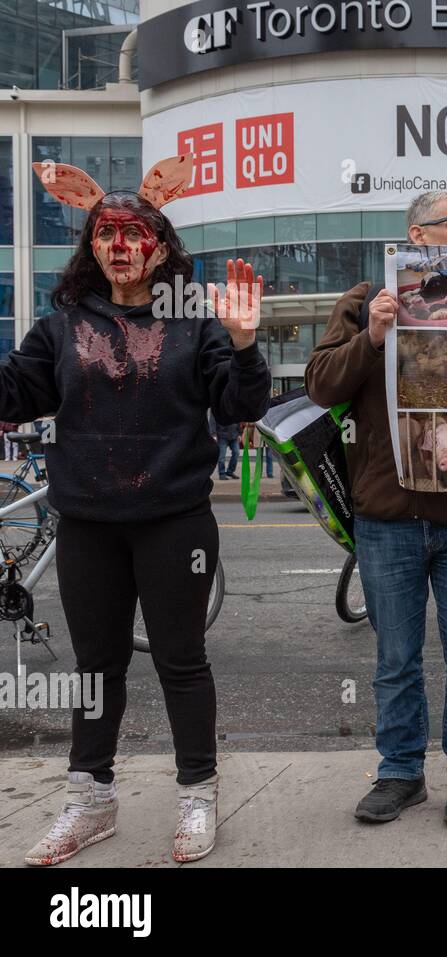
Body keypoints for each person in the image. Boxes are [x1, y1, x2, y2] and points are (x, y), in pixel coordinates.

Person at [7, 156, 270, 865]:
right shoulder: (63, 324)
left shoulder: (195, 321)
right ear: (90, 244)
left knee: (182, 661)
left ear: (160, 245)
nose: (120, 244)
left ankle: (197, 793)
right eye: (106, 232)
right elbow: (17, 392)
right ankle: (89, 799)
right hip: (88, 524)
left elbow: (241, 405)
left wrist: (244, 345)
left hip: (173, 520)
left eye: (134, 231)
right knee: (97, 664)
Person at [305, 190, 447, 827]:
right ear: (417, 233)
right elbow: (321, 386)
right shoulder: (367, 298)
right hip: (388, 518)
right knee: (394, 659)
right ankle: (400, 772)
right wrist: (373, 335)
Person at [211, 413, 240, 478]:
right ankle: (222, 473)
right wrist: (213, 434)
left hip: (234, 435)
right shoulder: (217, 405)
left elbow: (238, 419)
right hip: (222, 435)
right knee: (221, 456)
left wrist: (239, 433)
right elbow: (212, 421)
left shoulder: (234, 405)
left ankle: (230, 471)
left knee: (236, 453)